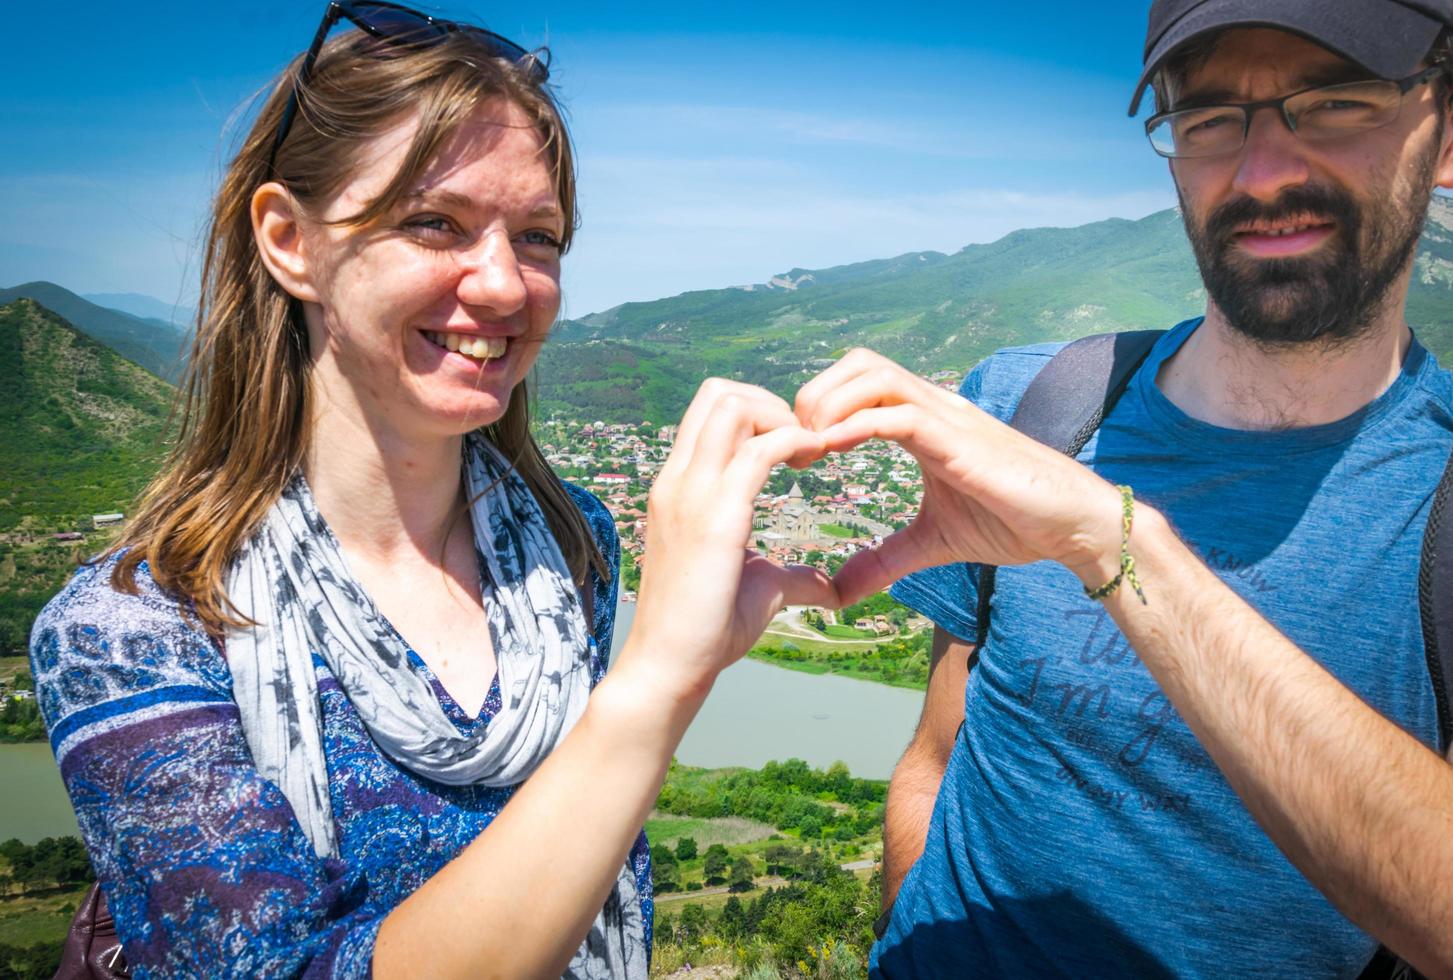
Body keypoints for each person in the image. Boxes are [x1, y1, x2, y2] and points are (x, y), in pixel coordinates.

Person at [27, 5, 834, 977]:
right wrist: (660, 677)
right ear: (290, 240)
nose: (504, 285)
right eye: (433, 221)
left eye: (538, 236)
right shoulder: (131, 629)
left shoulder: (571, 542)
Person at [798, 0, 1453, 976]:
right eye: (1208, 118)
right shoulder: (1034, 405)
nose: (1262, 171)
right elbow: (936, 752)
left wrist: (1118, 545)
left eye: (1335, 102)